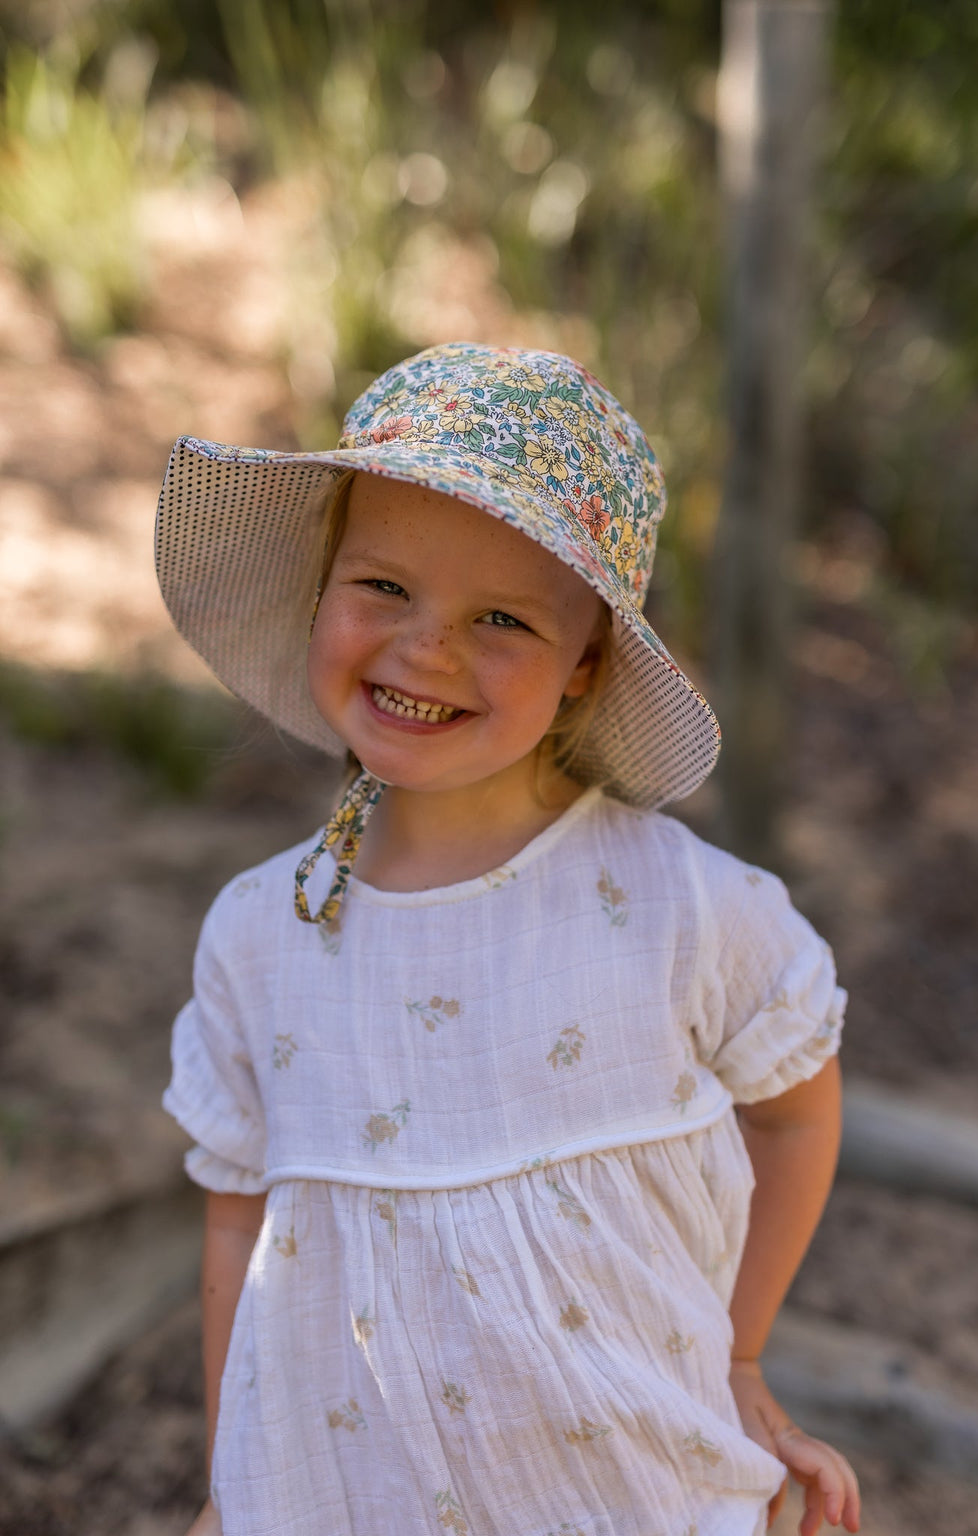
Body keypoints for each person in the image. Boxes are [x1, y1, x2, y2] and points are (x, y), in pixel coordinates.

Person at [158, 342, 861, 1536]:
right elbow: (242, 1219)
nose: (426, 650)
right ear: (320, 589)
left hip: (632, 1497)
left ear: (585, 663)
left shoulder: (680, 906)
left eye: (500, 618)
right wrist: (235, 1487)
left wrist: (737, 1356)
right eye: (384, 586)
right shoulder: (259, 933)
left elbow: (796, 1111)